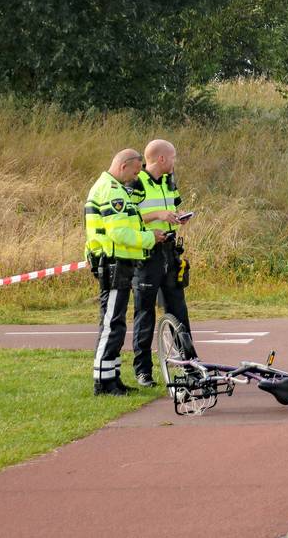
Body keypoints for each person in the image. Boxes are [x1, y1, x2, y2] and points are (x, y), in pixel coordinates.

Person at [85, 149, 168, 395]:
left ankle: (113, 377)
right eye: (134, 172)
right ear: (123, 166)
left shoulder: (113, 188)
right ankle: (103, 381)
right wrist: (149, 238)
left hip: (118, 263)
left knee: (117, 323)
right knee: (111, 323)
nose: (135, 177)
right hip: (113, 263)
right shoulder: (111, 192)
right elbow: (119, 233)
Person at [129, 139, 192, 387]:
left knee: (179, 310)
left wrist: (176, 218)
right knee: (144, 314)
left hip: (169, 251)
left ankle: (189, 364)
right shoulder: (137, 183)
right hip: (147, 255)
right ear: (161, 159)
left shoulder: (169, 181)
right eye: (173, 157)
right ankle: (143, 371)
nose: (175, 162)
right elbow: (128, 218)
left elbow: (171, 207)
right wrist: (157, 215)